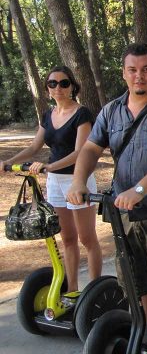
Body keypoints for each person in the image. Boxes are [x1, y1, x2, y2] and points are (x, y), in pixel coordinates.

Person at [66, 42, 147, 354]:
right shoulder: (111, 110)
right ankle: (142, 338)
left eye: (146, 69)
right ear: (124, 74)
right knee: (133, 282)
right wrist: (79, 180)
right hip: (122, 212)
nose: (140, 76)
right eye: (133, 70)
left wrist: (139, 190)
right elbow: (92, 148)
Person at [0, 66, 101, 301]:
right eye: (52, 83)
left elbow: (80, 152)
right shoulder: (48, 115)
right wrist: (8, 162)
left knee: (87, 238)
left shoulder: (82, 114)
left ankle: (96, 291)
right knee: (66, 239)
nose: (58, 88)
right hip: (55, 183)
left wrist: (49, 166)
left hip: (78, 180)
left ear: (73, 86)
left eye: (64, 83)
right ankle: (73, 290)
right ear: (47, 88)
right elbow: (34, 147)